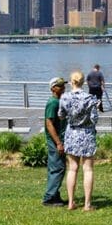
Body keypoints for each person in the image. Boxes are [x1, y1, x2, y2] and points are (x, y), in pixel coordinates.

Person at [60, 70, 99, 211]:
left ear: (71, 82)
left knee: (72, 169)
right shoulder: (89, 98)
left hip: (72, 134)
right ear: (84, 82)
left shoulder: (64, 97)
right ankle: (87, 204)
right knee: (88, 169)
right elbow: (95, 119)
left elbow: (61, 115)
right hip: (87, 134)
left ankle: (71, 202)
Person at [42, 77, 68, 207]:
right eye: (60, 86)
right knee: (58, 167)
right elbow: (49, 124)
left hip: (59, 139)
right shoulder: (53, 103)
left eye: (63, 85)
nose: (63, 88)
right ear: (53, 88)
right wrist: (58, 142)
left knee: (58, 166)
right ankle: (49, 198)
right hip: (55, 140)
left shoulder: (58, 101)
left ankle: (55, 195)